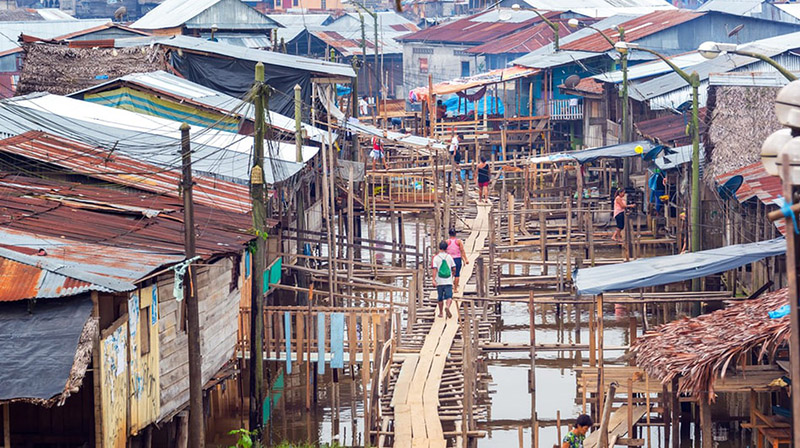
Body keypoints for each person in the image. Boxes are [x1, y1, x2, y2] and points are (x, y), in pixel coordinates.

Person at [431, 240, 456, 319]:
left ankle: (441, 313)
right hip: (448, 280)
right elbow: (454, 268)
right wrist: (452, 274)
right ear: (446, 248)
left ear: (439, 247)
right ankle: (447, 306)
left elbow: (434, 269)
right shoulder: (449, 257)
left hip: (440, 281)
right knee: (449, 296)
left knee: (440, 297)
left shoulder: (436, 258)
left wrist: (433, 279)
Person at [446, 228, 469, 293]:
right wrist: (465, 259)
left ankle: (449, 288)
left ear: (449, 234)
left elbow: (444, 251)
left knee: (449, 274)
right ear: (455, 234)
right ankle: (455, 289)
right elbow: (462, 251)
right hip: (457, 259)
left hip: (449, 259)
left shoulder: (447, 242)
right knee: (457, 274)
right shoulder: (458, 241)